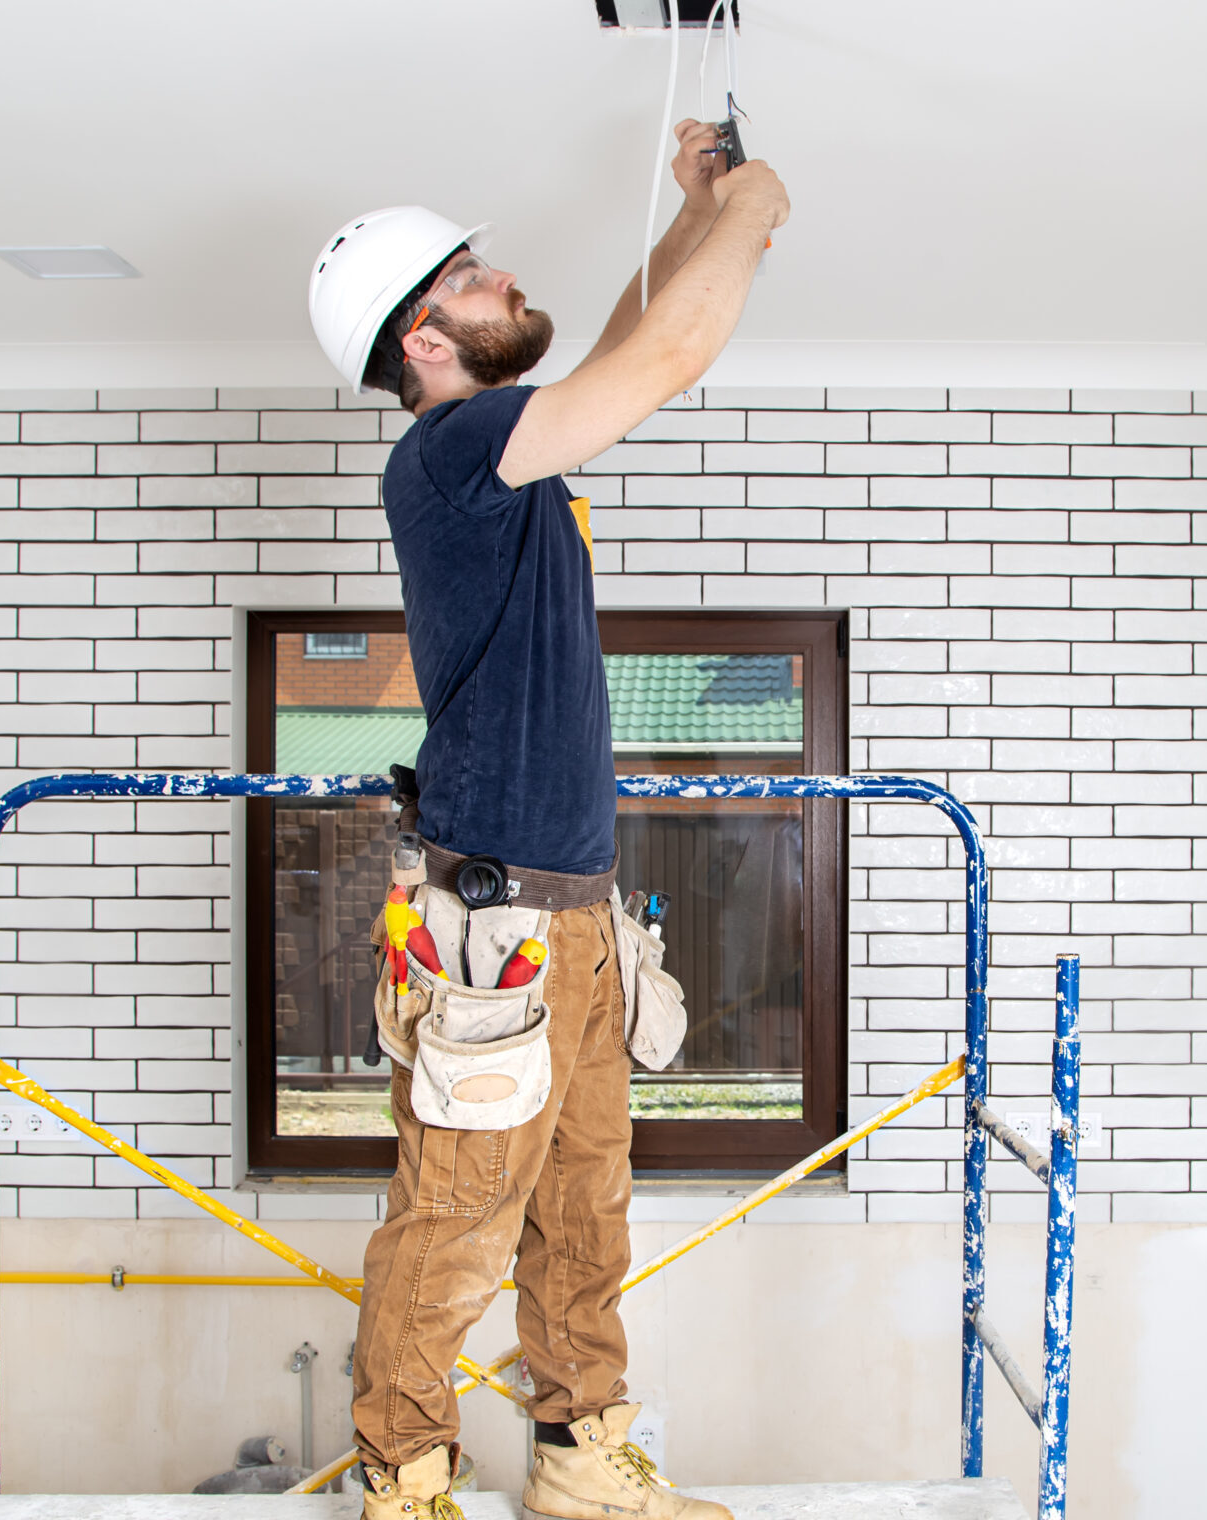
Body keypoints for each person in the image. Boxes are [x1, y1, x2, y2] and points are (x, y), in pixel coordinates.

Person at [305, 120, 789, 1520]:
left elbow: (633, 334)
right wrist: (752, 207)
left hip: (574, 919)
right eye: (468, 274)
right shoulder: (450, 454)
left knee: (583, 1222)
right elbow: (664, 363)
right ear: (425, 345)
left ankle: (582, 1470)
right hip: (497, 928)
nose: (502, 276)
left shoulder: (499, 448)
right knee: (454, 1221)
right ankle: (406, 1482)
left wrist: (699, 211)